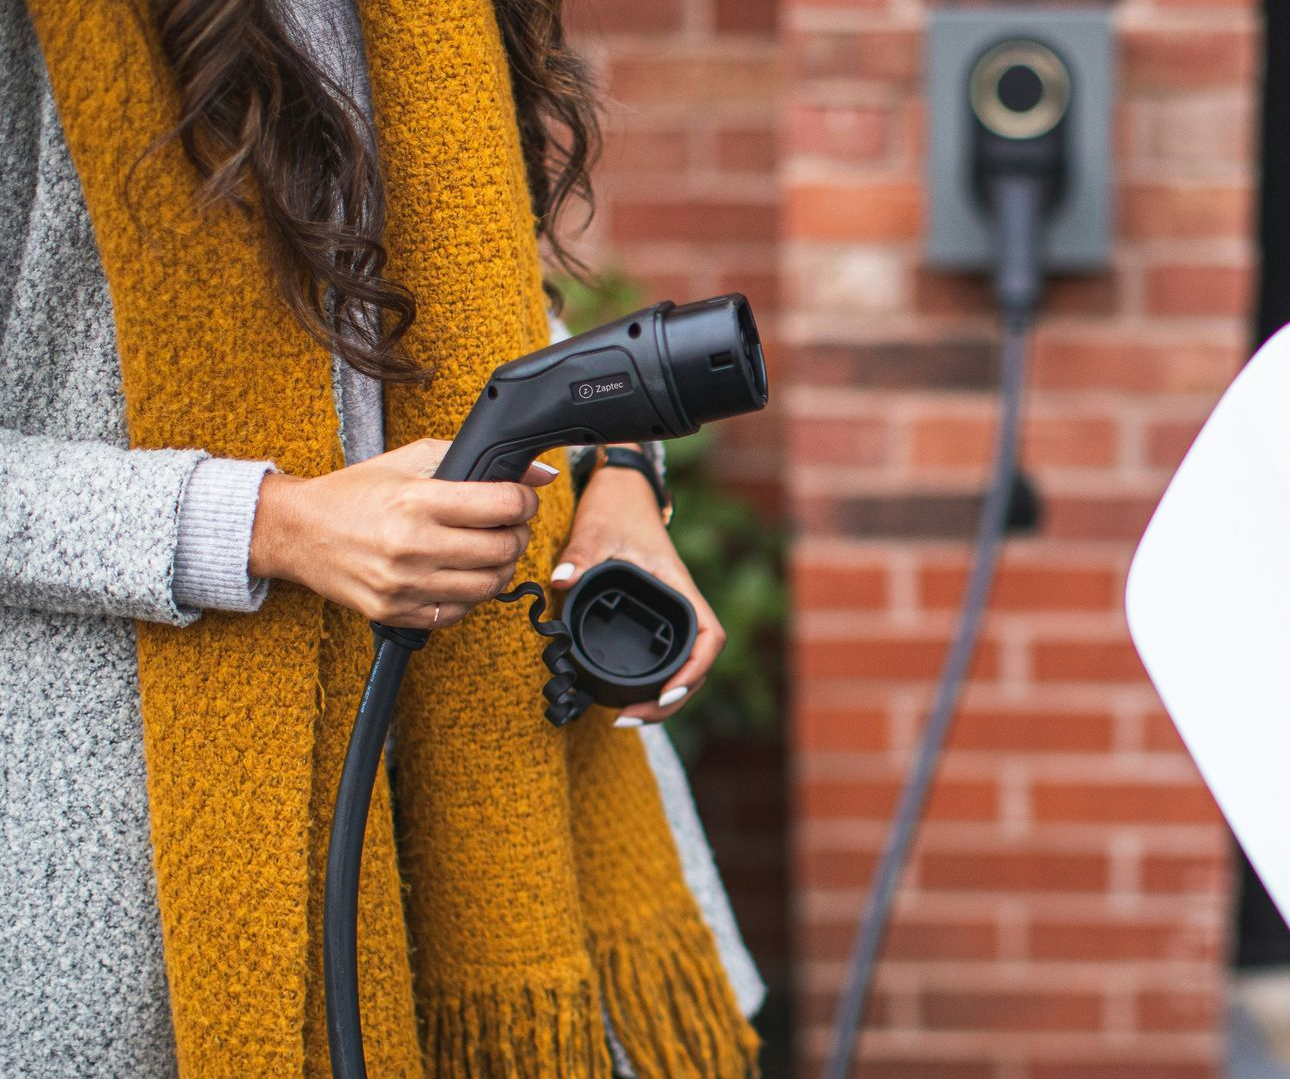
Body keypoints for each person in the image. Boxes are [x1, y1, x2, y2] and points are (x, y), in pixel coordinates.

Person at [0, 0, 761, 1075]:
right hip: (153, 884)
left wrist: (621, 481)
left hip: (506, 804)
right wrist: (273, 524)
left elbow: (487, 301)